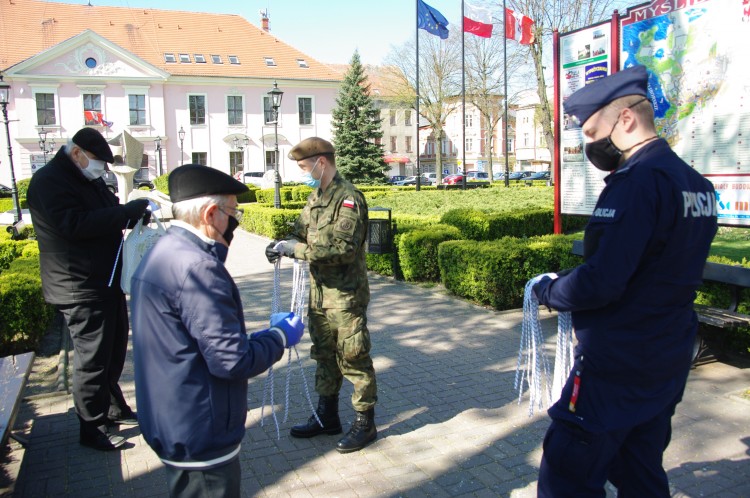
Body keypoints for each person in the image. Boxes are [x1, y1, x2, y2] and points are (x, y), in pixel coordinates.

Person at [532, 65, 718, 496]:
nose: (590, 142)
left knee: (567, 472)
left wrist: (548, 290)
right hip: (667, 354)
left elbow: (603, 282)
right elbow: (651, 266)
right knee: (639, 469)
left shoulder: (636, 183)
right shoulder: (696, 185)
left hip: (617, 360)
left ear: (627, 120)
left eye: (594, 129)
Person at [130, 164, 304, 497]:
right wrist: (279, 336)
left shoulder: (162, 251)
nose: (234, 222)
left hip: (173, 418)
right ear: (211, 213)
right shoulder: (199, 267)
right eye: (232, 213)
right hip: (201, 429)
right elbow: (231, 360)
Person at [27, 127, 150, 451]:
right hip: (78, 285)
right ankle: (91, 426)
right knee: (91, 360)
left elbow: (106, 211)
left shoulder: (86, 178)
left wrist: (131, 216)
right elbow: (73, 225)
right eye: (97, 161)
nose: (102, 169)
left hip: (105, 281)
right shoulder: (49, 181)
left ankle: (112, 408)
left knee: (111, 352)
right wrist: (122, 214)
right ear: (77, 152)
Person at [265, 137, 378, 453]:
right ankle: (327, 417)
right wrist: (279, 246)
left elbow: (343, 249)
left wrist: (295, 250)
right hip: (318, 297)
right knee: (325, 356)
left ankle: (365, 423)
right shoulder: (315, 199)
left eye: (304, 167)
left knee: (353, 357)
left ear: (321, 162)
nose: (304, 172)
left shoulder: (348, 199)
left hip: (345, 296)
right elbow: (298, 234)